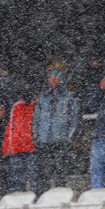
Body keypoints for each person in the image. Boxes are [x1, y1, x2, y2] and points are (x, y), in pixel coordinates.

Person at [32, 63, 80, 194]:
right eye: (51, 77)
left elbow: (74, 119)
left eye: (56, 77)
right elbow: (36, 118)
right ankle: (42, 198)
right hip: (44, 140)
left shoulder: (68, 97)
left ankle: (60, 197)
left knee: (60, 173)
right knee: (43, 174)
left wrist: (69, 138)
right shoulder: (43, 97)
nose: (53, 80)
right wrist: (36, 136)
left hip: (60, 140)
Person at [2, 85, 37, 193]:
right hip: (18, 147)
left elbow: (11, 128)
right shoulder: (17, 106)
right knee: (18, 177)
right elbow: (10, 127)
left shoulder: (36, 105)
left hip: (29, 146)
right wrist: (6, 147)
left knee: (32, 176)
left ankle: (34, 198)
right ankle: (18, 198)